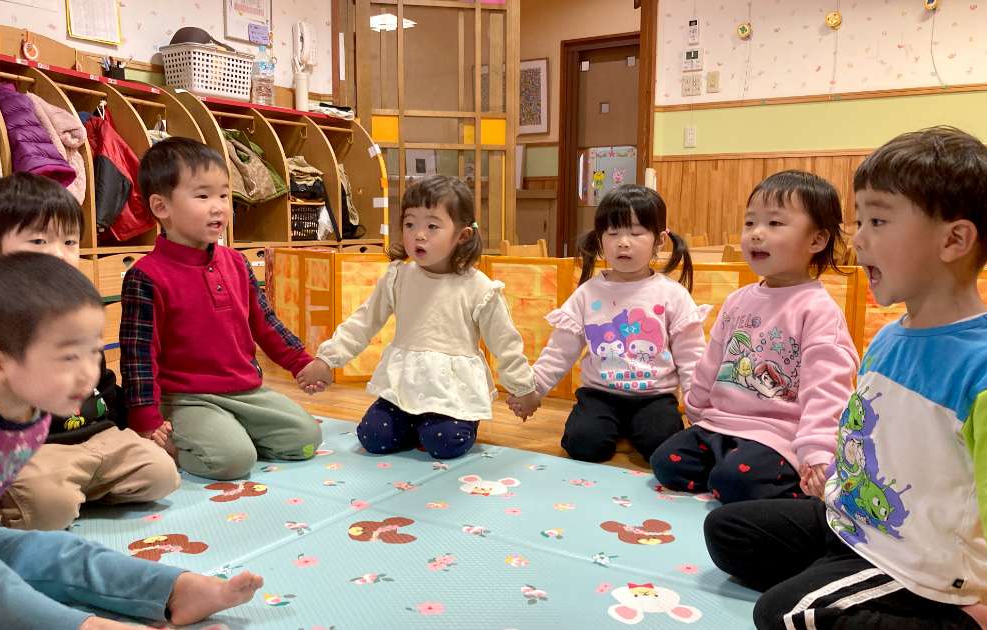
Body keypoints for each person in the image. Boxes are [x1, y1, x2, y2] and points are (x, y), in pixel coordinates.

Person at [705, 127, 987, 629]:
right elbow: (863, 434)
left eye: (877, 221)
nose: (858, 237)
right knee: (727, 530)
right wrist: (832, 478)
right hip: (853, 522)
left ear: (954, 239)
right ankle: (839, 582)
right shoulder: (887, 339)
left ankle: (961, 621)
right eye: (860, 220)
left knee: (781, 614)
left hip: (917, 564)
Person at [0, 253, 263, 630]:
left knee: (65, 550)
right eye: (68, 358)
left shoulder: (33, 409)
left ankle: (173, 591)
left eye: (94, 353)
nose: (88, 374)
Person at [0, 172, 179, 530]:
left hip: (98, 436)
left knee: (162, 473)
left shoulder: (76, 311)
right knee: (48, 506)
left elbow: (102, 382)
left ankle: (78, 489)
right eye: (39, 240)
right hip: (37, 451)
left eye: (69, 241)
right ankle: (53, 496)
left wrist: (137, 425)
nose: (59, 254)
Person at [120, 138, 321, 481]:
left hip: (247, 391)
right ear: (161, 207)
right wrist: (147, 421)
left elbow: (266, 323)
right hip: (188, 399)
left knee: (306, 438)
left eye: (224, 196)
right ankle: (210, 440)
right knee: (232, 462)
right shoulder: (146, 276)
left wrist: (301, 362)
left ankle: (230, 432)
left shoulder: (237, 263)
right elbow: (138, 356)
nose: (219, 207)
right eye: (203, 196)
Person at [651, 171, 859, 503]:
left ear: (817, 241)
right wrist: (695, 406)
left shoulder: (818, 310)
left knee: (734, 481)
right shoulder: (737, 300)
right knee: (665, 463)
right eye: (750, 223)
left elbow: (827, 389)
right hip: (721, 425)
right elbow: (712, 361)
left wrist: (817, 450)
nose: (756, 234)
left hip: (778, 436)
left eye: (774, 223)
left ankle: (758, 480)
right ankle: (726, 475)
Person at [298, 175, 537, 459]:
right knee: (373, 437)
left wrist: (523, 388)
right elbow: (363, 323)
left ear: (462, 235)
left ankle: (441, 425)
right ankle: (415, 425)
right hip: (403, 386)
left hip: (451, 392)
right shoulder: (398, 277)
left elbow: (505, 343)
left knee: (444, 443)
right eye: (410, 224)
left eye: (432, 226)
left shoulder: (479, 288)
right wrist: (327, 360)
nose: (418, 235)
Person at [509, 184, 705, 463]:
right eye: (612, 233)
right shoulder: (587, 293)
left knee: (662, 446)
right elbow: (559, 351)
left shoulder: (672, 294)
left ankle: (636, 429)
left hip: (655, 396)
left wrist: (699, 410)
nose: (623, 242)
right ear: (600, 240)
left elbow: (691, 358)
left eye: (636, 233)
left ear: (660, 240)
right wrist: (533, 390)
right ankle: (612, 429)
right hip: (599, 394)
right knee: (582, 444)